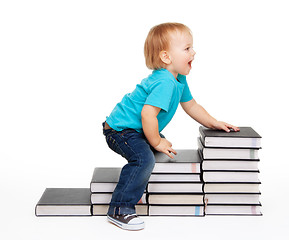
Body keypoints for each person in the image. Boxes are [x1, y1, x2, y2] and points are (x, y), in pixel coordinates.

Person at [102, 22, 239, 230]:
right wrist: (155, 141)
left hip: (135, 129)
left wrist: (215, 122)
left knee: (154, 151)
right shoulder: (165, 82)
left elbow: (191, 105)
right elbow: (148, 114)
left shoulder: (178, 78)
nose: (194, 52)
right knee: (143, 158)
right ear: (166, 57)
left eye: (192, 47)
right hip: (120, 130)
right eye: (187, 49)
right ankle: (119, 209)